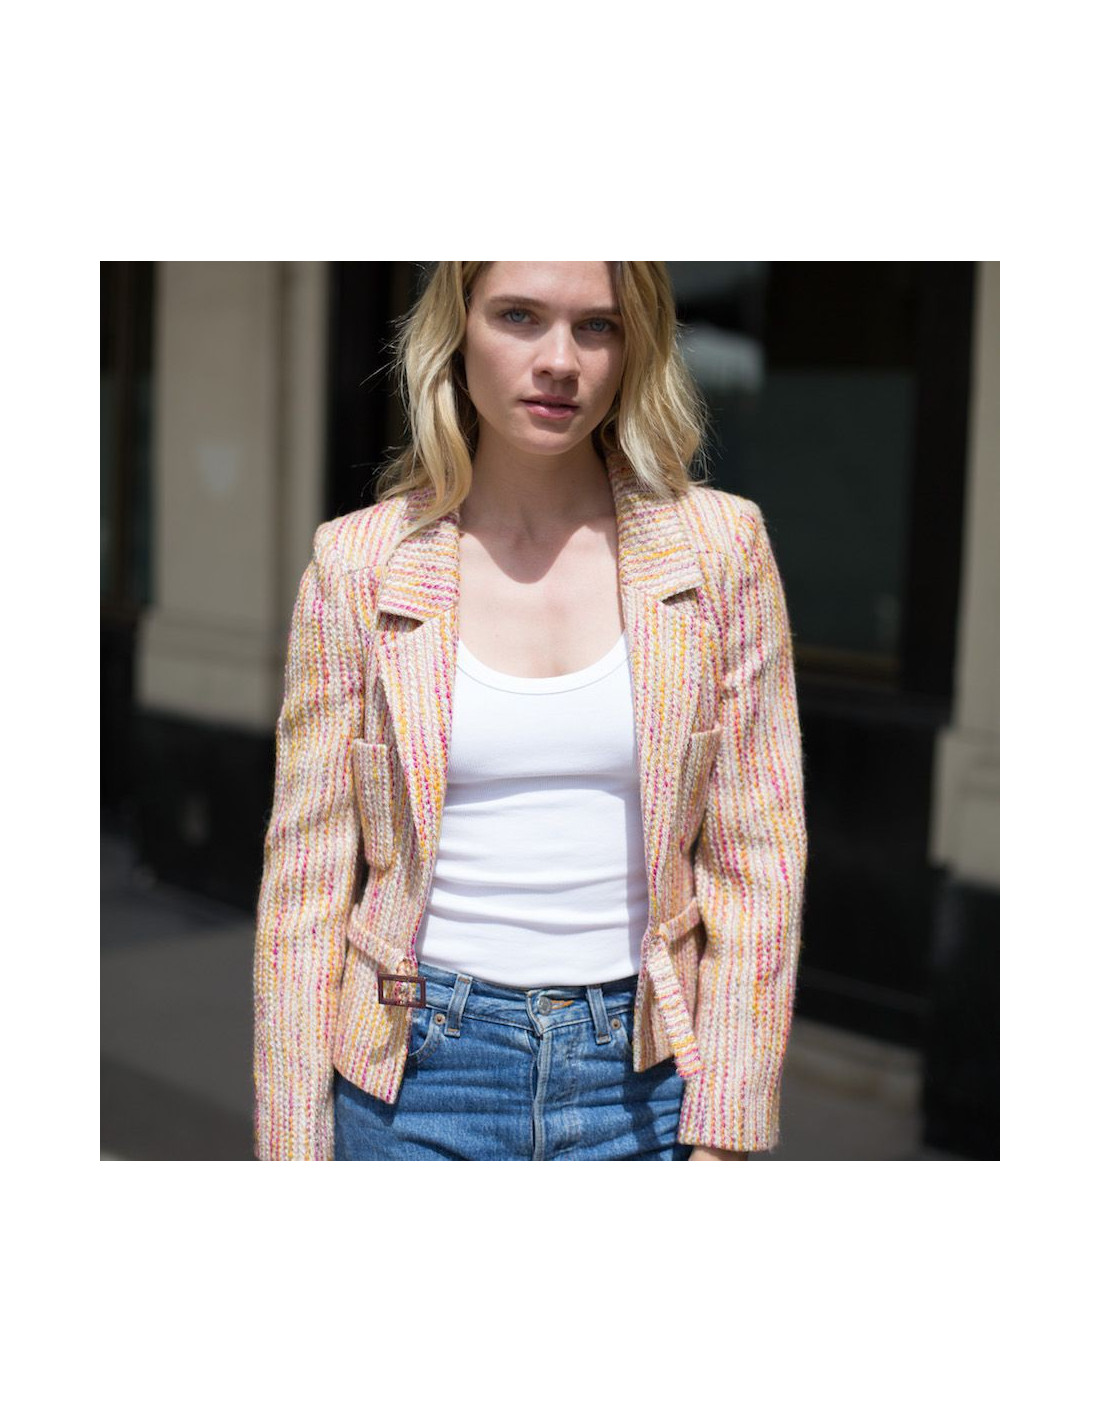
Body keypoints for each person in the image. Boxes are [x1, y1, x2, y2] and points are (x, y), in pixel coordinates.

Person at [253, 261, 807, 1161]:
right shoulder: (359, 565)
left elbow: (759, 863)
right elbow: (306, 884)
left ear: (633, 347)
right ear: (457, 331)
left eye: (597, 326)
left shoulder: (720, 550)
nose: (560, 360)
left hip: (648, 1072)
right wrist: (290, 1149)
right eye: (519, 316)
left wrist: (729, 1132)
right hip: (412, 1071)